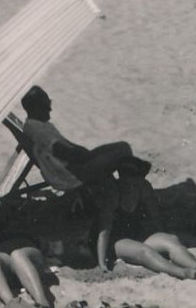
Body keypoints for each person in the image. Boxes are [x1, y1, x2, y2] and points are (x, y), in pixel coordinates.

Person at [19, 86, 139, 265]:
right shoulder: (39, 129)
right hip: (73, 174)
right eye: (47, 104)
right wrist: (89, 157)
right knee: (123, 149)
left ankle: (122, 193)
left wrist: (86, 153)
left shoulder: (38, 123)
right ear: (36, 107)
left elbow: (66, 146)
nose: (50, 108)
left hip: (74, 167)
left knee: (119, 148)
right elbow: (64, 152)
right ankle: (128, 200)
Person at [109, 166, 196, 279]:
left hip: (139, 235)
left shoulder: (143, 188)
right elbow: (104, 230)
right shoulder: (113, 195)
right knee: (143, 251)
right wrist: (101, 260)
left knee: (171, 240)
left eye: (136, 183)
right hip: (117, 241)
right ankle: (181, 273)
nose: (134, 185)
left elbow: (155, 215)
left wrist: (161, 234)